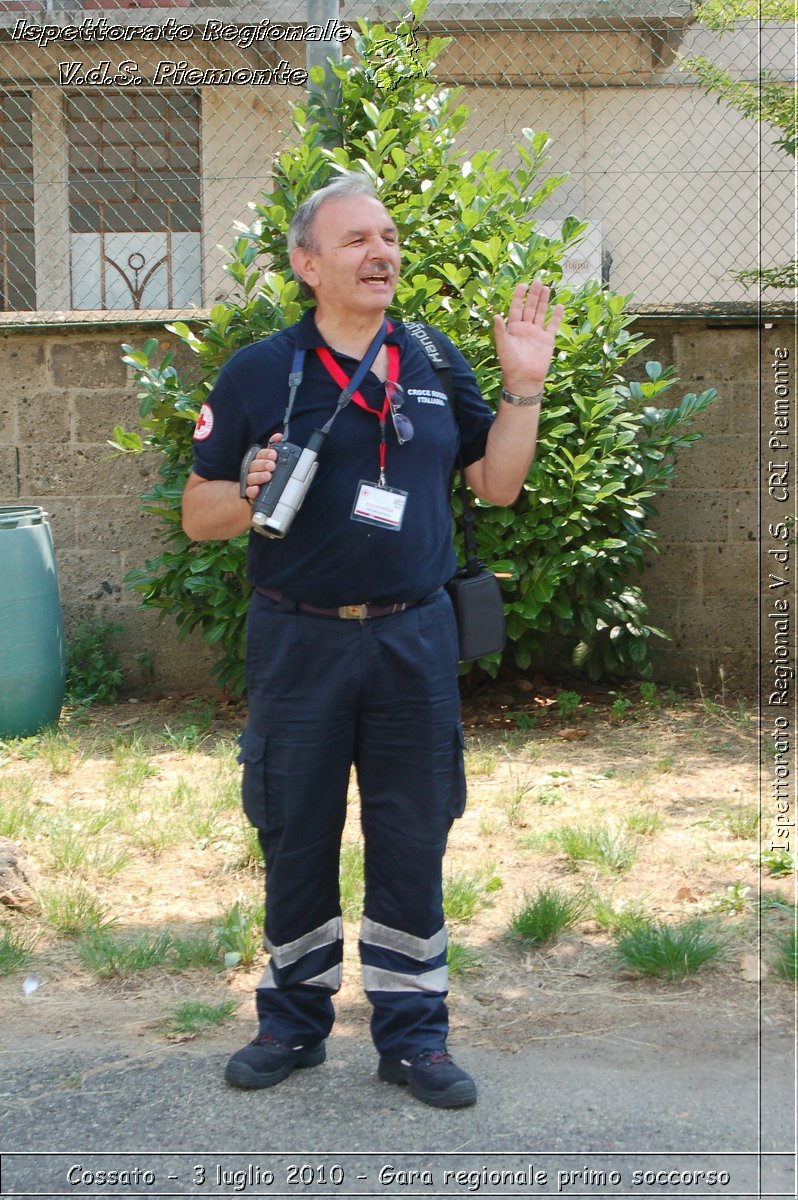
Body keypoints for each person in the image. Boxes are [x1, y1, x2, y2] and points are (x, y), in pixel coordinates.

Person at [182, 173, 563, 1109]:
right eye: (355, 240)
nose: (381, 252)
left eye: (389, 237)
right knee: (294, 829)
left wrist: (524, 388)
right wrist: (250, 489)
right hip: (298, 640)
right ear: (308, 265)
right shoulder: (258, 371)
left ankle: (413, 1036)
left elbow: (499, 485)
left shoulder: (433, 358)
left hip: (413, 641)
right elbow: (197, 515)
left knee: (412, 833)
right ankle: (291, 1022)